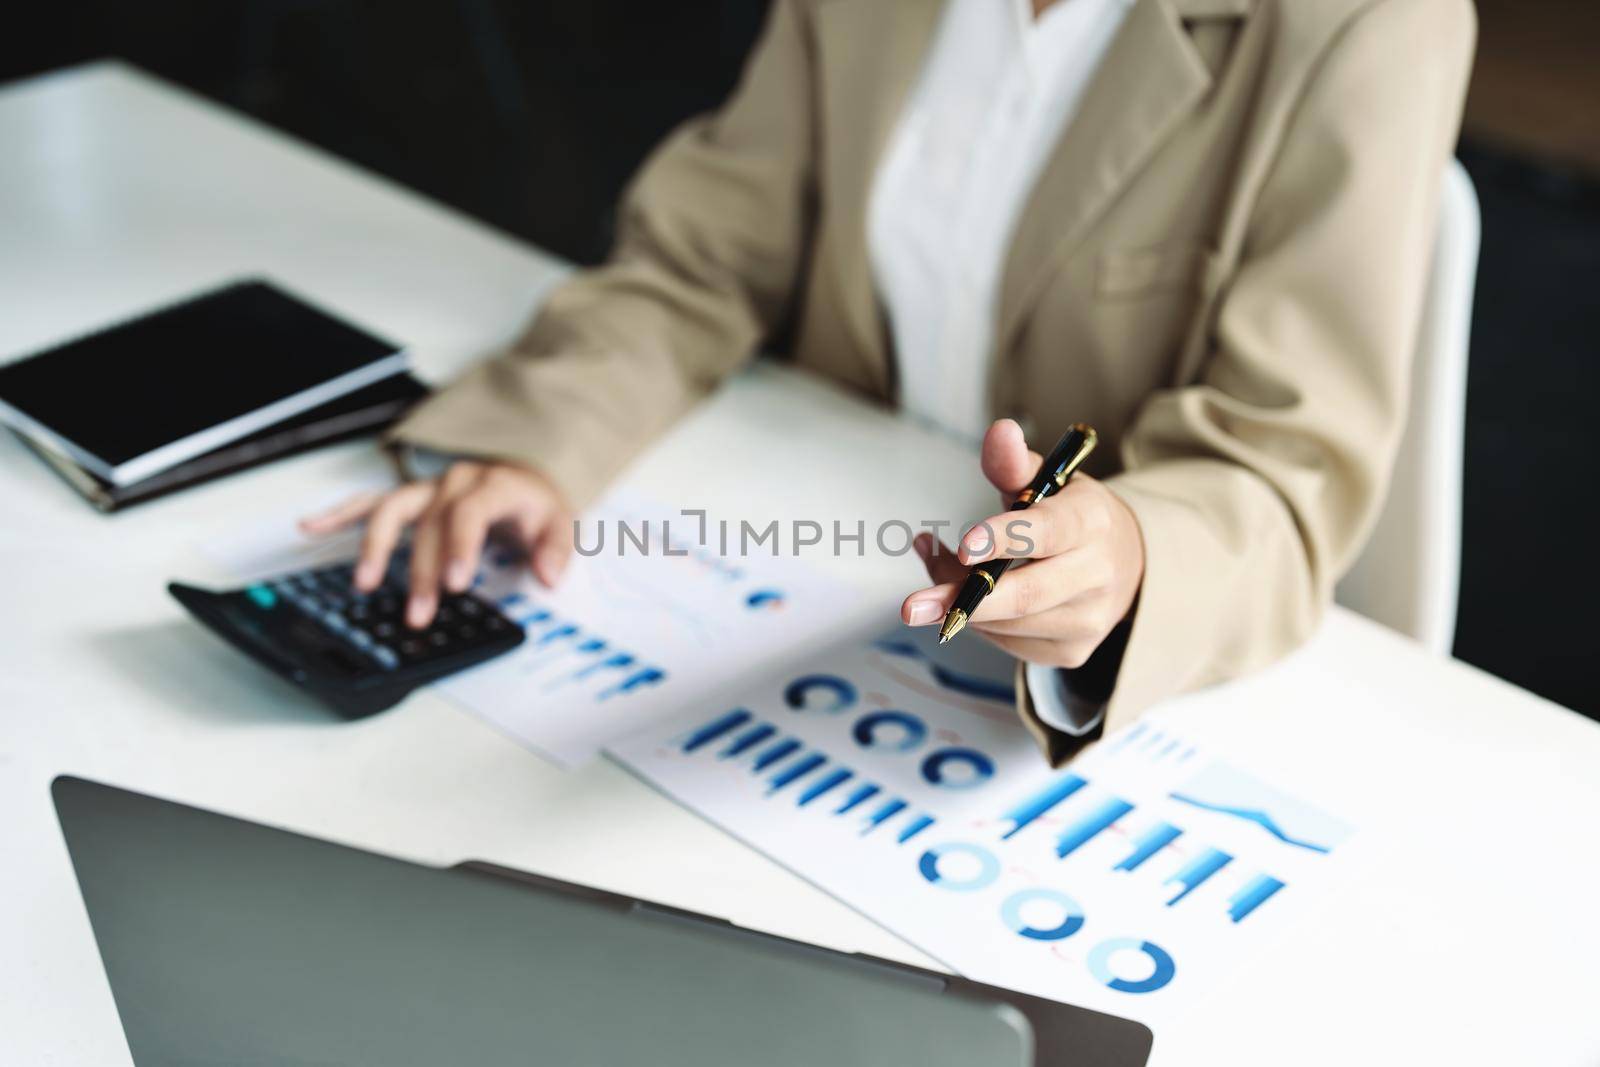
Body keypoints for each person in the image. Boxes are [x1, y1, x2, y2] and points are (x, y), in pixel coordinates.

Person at [303, 0, 1475, 763]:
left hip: (1081, 706)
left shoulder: (1371, 22)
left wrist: (1128, 562)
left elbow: (1280, 465)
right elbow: (708, 253)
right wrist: (537, 440)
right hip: (792, 556)